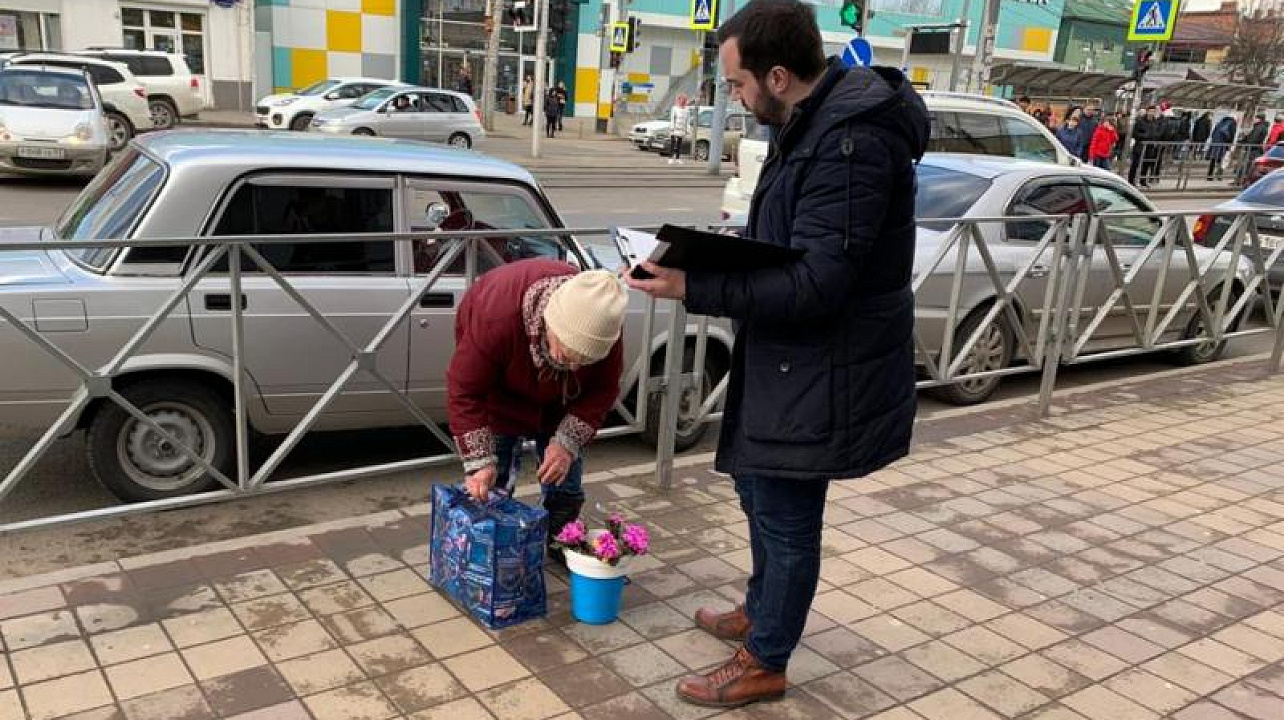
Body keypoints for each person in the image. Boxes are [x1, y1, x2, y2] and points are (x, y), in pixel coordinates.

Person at [626, 0, 927, 708]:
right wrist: (714, 254)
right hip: (792, 357)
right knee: (757, 488)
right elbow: (799, 244)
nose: (734, 99)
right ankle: (762, 612)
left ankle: (765, 659)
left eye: (737, 86)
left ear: (780, 75)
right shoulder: (812, 125)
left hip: (824, 363)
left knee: (788, 514)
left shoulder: (850, 144)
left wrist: (694, 283)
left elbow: (821, 281)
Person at [448, 260, 626, 555]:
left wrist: (567, 442)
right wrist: (479, 461)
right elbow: (465, 389)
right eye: (567, 353)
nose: (574, 365)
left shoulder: (605, 323)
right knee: (493, 479)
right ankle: (492, 550)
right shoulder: (496, 317)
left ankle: (559, 540)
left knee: (565, 482)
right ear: (549, 322)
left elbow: (603, 389)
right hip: (501, 393)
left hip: (564, 403)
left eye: (585, 360)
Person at [1128, 106, 1161, 187]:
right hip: (1140, 145)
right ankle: (1131, 180)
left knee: (1146, 164)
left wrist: (1155, 137)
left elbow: (1157, 132)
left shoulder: (1155, 122)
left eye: (1153, 111)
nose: (1152, 113)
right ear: (1147, 111)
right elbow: (1134, 134)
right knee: (1135, 164)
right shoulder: (1140, 121)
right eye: (1150, 111)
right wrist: (1145, 135)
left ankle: (1143, 180)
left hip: (1150, 146)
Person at [1239, 112, 1270, 184]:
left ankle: (1242, 180)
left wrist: (1245, 143)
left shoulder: (1259, 127)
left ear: (1259, 119)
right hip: (1255, 149)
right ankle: (1243, 180)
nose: (1254, 119)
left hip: (1253, 149)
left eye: (1256, 118)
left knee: (1247, 164)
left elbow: (1253, 138)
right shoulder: (1260, 126)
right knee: (1248, 165)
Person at [1208, 114, 1237, 180]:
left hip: (1215, 142)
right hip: (1223, 143)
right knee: (1221, 160)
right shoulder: (1232, 123)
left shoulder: (1221, 122)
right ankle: (1219, 175)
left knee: (1213, 159)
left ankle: (1209, 175)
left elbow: (1213, 133)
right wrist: (1229, 144)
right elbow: (1231, 135)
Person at [668, 95, 691, 165]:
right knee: (673, 143)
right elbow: (672, 118)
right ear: (679, 100)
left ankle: (678, 158)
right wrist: (672, 127)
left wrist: (688, 129)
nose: (682, 101)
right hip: (675, 128)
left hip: (682, 129)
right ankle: (671, 158)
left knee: (679, 144)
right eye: (681, 99)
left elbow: (688, 120)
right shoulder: (674, 108)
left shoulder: (687, 109)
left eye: (684, 100)